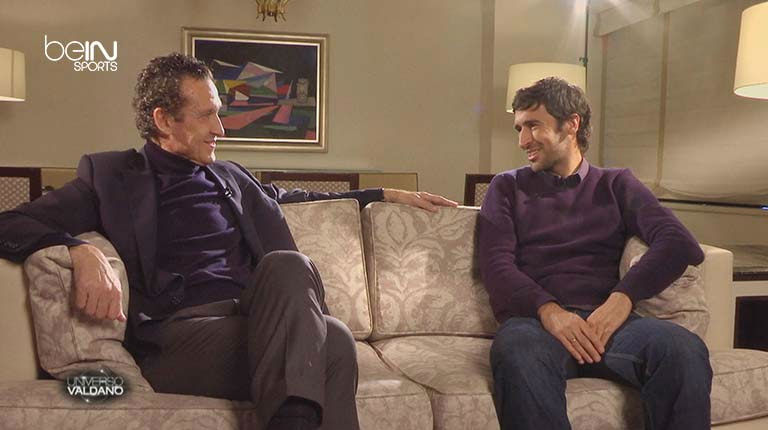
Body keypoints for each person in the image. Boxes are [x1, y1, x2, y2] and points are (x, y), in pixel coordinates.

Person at [0, 53, 457, 430]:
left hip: (253, 319)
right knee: (332, 341)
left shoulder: (230, 176)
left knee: (304, 289)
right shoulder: (111, 176)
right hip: (178, 338)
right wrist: (79, 249)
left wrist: (383, 194)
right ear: (163, 120)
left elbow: (297, 197)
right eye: (207, 115)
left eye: (219, 112)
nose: (221, 128)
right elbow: (11, 223)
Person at [478, 77, 711, 430]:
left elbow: (679, 242)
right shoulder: (506, 186)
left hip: (610, 325)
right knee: (516, 351)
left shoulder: (617, 184)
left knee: (683, 349)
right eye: (519, 128)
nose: (522, 141)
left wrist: (622, 299)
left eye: (533, 125)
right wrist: (549, 311)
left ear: (571, 124)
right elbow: (496, 266)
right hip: (536, 326)